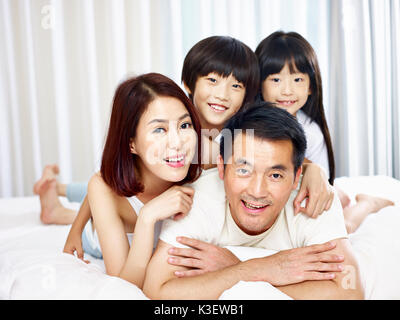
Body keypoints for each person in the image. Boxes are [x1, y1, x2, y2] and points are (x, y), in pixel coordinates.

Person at [35, 36, 333, 261]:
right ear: (189, 84)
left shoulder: (239, 134)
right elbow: (106, 177)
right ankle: (58, 202)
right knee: (115, 203)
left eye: (236, 86)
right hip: (127, 221)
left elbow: (282, 161)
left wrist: (315, 170)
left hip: (159, 219)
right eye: (213, 81)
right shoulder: (179, 127)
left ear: (248, 94)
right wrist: (77, 225)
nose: (222, 94)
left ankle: (58, 192)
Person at [143, 102, 364, 300]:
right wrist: (261, 268)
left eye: (275, 175)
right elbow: (156, 290)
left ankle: (365, 205)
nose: (258, 192)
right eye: (243, 170)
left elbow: (351, 291)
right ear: (221, 167)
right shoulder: (196, 199)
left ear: (297, 177)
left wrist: (238, 271)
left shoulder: (313, 199)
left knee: (349, 223)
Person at [57, 73, 202, 288]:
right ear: (131, 143)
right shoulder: (105, 187)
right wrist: (147, 216)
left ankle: (59, 196)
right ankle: (56, 198)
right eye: (159, 129)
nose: (177, 142)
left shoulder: (203, 165)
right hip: (96, 239)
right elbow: (124, 285)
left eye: (184, 125)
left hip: (117, 191)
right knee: (100, 187)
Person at [255, 31, 394, 233]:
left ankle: (367, 204)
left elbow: (321, 184)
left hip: (306, 192)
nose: (287, 90)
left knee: (342, 227)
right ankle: (341, 194)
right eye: (276, 80)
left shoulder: (310, 131)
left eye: (297, 80)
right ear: (260, 84)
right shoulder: (248, 125)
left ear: (310, 86)